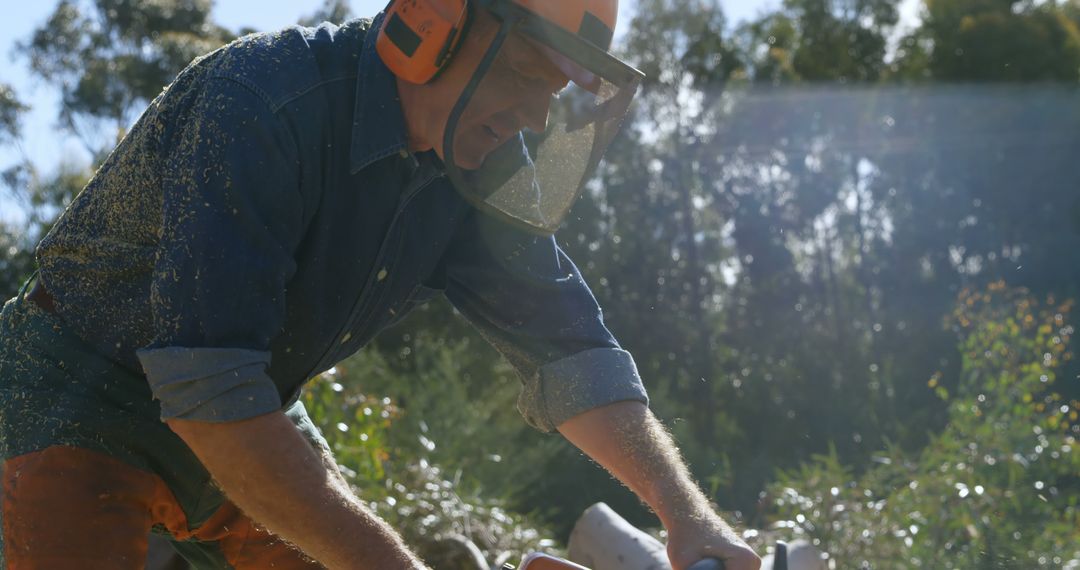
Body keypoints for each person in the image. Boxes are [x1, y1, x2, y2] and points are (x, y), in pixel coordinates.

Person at [0, 1, 761, 569]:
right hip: (75, 393)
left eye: (558, 92)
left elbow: (571, 350)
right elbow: (209, 390)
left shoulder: (481, 166)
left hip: (255, 405)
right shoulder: (262, 102)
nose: (537, 113)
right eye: (531, 70)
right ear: (437, 23)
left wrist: (688, 515)